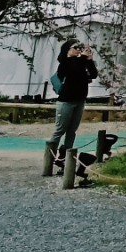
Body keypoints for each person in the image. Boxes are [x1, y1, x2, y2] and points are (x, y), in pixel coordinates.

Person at [44, 39, 101, 173]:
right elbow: (71, 72)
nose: (79, 50)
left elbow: (93, 74)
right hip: (66, 101)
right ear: (68, 50)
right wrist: (81, 59)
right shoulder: (64, 63)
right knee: (60, 130)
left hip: (80, 100)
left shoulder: (82, 62)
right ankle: (50, 159)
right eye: (76, 47)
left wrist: (89, 60)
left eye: (80, 48)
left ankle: (64, 158)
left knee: (72, 131)